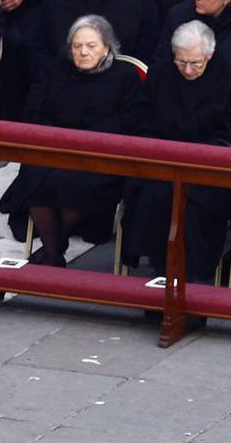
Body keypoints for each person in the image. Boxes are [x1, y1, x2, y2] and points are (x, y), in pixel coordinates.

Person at [8, 14, 149, 266]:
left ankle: (53, 248)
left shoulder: (125, 76)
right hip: (54, 148)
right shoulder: (55, 70)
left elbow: (131, 119)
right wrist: (56, 136)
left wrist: (89, 138)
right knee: (34, 174)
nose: (83, 52)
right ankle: (54, 251)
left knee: (74, 182)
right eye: (77, 46)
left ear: (106, 47)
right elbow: (34, 110)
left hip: (100, 155)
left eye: (91, 46)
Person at [120, 19, 231, 275]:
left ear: (210, 55)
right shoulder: (160, 74)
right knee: (153, 196)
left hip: (209, 171)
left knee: (189, 207)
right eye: (181, 61)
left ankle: (191, 277)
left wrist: (196, 155)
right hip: (163, 165)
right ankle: (162, 271)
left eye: (195, 63)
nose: (188, 70)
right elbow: (142, 120)